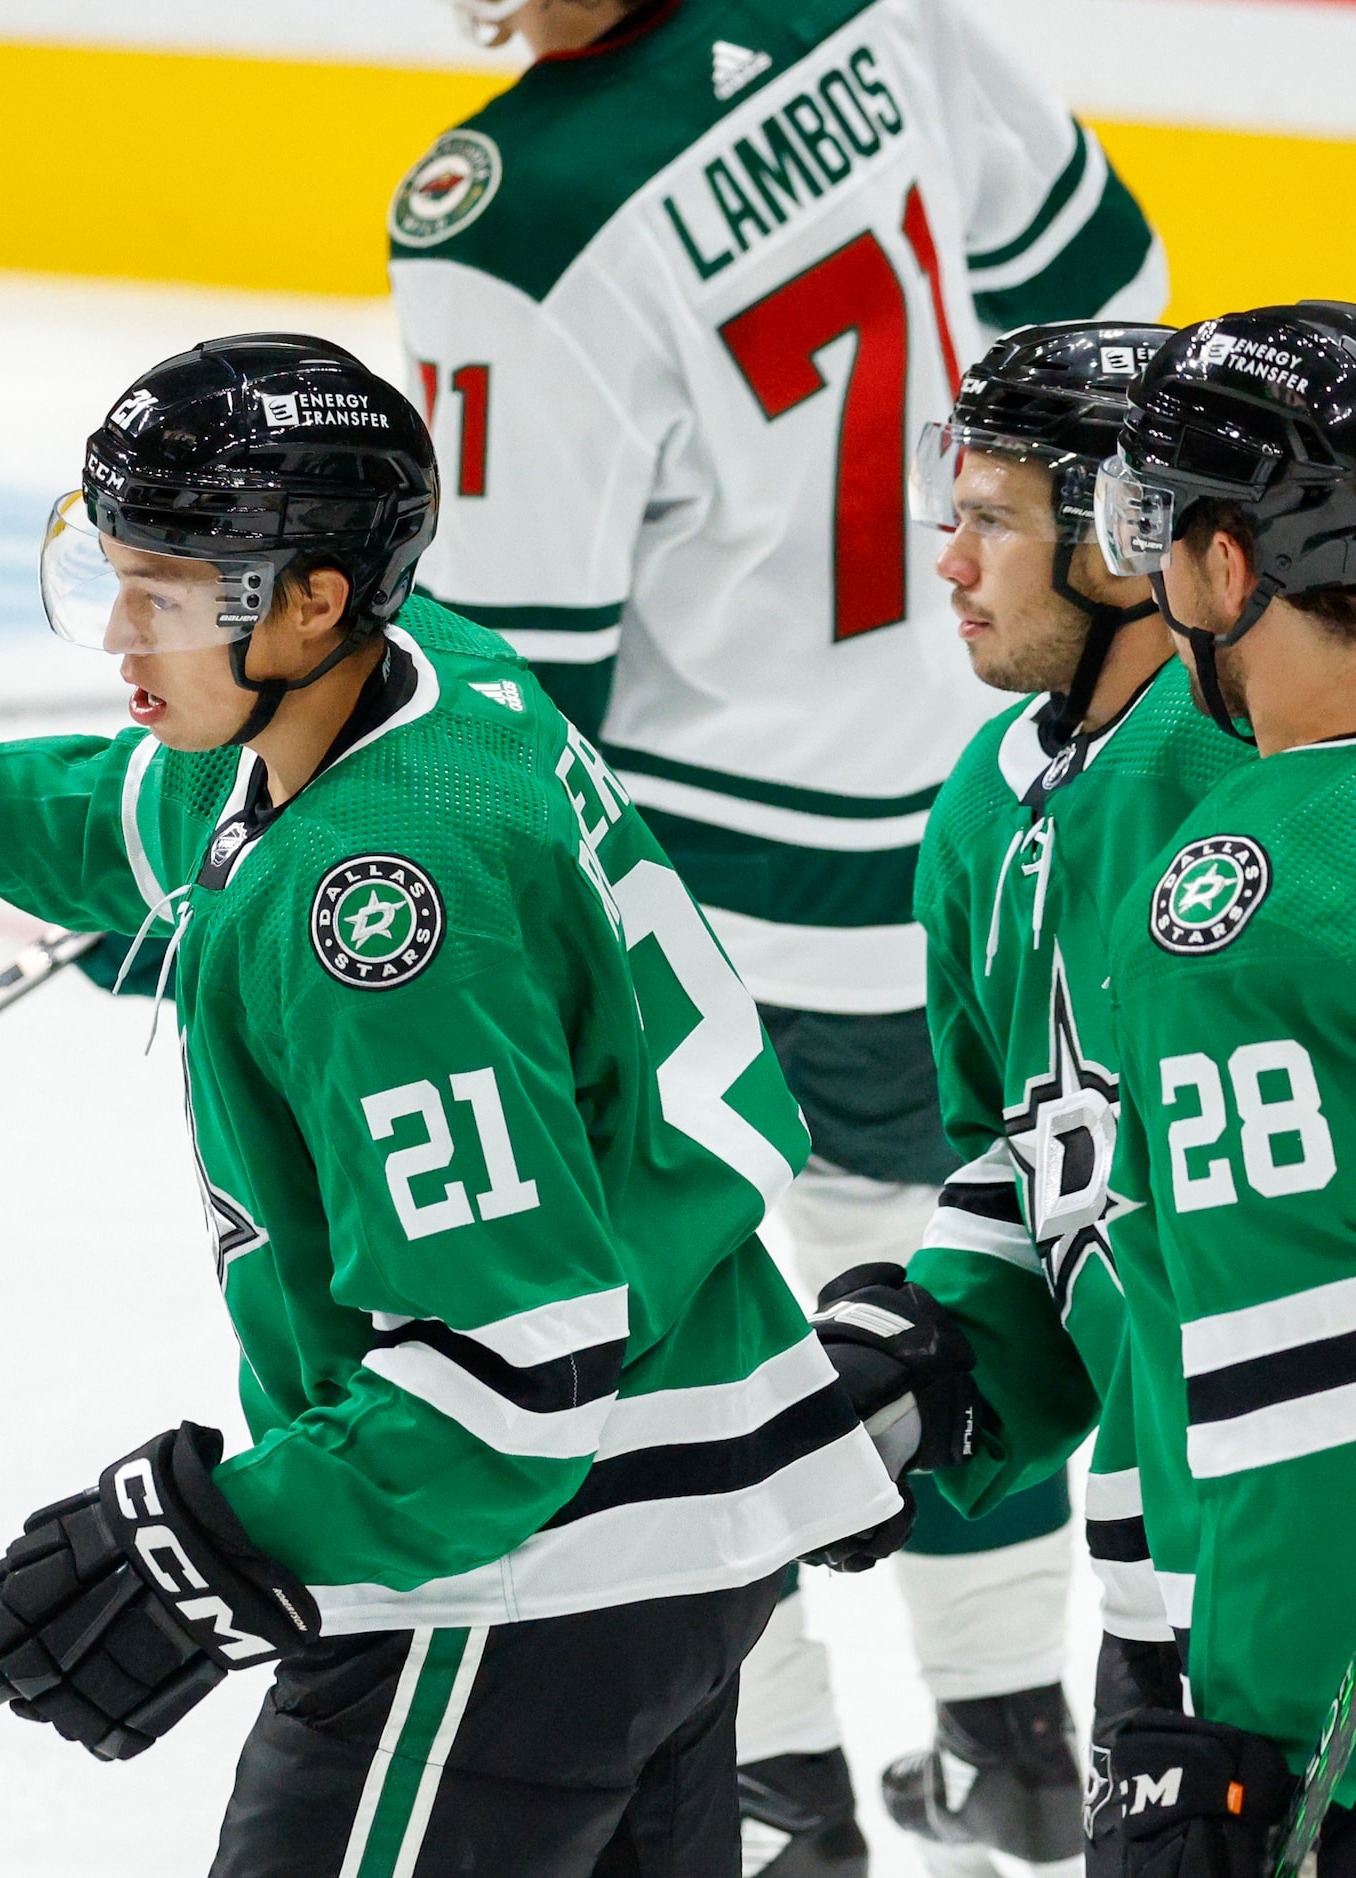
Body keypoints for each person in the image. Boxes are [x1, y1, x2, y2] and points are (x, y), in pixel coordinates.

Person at [0, 334, 900, 1876]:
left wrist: (228, 1535)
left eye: (169, 593)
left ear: (314, 596)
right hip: (682, 1508)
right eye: (112, 574)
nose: (121, 634)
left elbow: (512, 1376)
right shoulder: (424, 677)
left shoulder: (376, 906)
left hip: (522, 1562)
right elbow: (172, 807)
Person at [397, 1, 1169, 1866]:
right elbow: (1112, 300)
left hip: (712, 903)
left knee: (677, 1349)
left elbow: (513, 688)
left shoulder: (508, 218)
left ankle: (773, 1777)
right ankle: (1010, 1739)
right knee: (947, 1284)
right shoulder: (876, 12)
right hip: (985, 824)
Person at [813, 320, 1255, 1874]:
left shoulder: (1255, 785)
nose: (947, 561)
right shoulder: (983, 802)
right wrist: (930, 1361)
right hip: (1151, 1593)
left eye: (992, 518)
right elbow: (1047, 1168)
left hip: (1294, 1581)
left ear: (1135, 536)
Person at [1081, 303, 1356, 1878]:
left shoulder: (1243, 898)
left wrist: (1258, 1743)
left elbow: (1300, 1364)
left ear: (1234, 566)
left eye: (1164, 533)